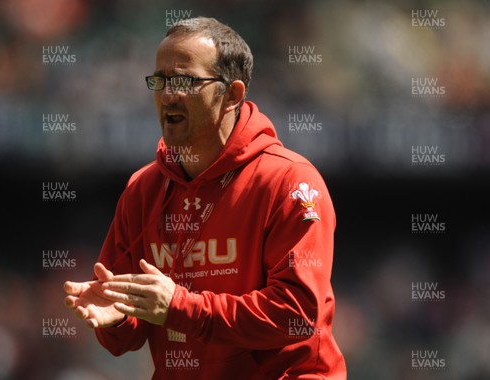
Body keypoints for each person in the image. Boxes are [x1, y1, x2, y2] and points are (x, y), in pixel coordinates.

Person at [64, 17, 347, 379]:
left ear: (232, 94)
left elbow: (296, 314)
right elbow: (126, 339)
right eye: (160, 81)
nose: (167, 95)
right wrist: (117, 316)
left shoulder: (290, 181)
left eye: (184, 81)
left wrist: (180, 307)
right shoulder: (142, 190)